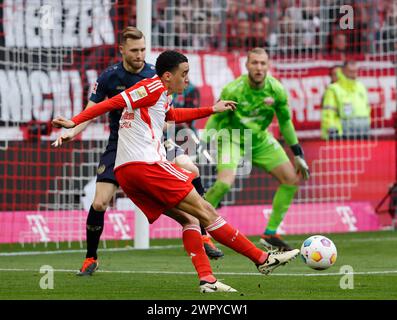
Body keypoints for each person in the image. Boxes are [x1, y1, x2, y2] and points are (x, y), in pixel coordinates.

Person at [52, 50, 300, 293]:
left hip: (129, 174)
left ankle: (207, 280)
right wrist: (75, 121)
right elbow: (114, 102)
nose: (188, 79)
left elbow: (172, 115)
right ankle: (262, 259)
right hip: (145, 167)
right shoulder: (153, 87)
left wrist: (211, 109)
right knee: (206, 211)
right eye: (184, 73)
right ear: (168, 76)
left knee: (189, 219)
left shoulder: (161, 95)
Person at [52, 27, 222, 277]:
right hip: (120, 144)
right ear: (122, 50)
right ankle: (91, 258)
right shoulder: (110, 76)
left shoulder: (157, 74)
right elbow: (95, 107)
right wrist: (73, 130)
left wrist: (163, 128)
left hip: (154, 142)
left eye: (143, 49)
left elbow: (167, 114)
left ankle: (205, 235)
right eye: (134, 50)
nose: (140, 54)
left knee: (192, 168)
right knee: (99, 202)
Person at [203, 47, 310, 252]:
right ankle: (201, 230)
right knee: (224, 184)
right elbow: (216, 117)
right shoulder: (233, 90)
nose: (259, 67)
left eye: (263, 63)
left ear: (268, 66)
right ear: (247, 65)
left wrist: (298, 154)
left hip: (259, 139)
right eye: (254, 63)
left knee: (291, 179)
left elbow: (286, 122)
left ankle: (270, 234)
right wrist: (204, 141)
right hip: (232, 138)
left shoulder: (276, 90)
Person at [321, 60, 371, 140]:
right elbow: (328, 113)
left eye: (355, 71)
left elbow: (367, 109)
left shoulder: (361, 87)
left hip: (363, 134)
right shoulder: (334, 89)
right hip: (342, 135)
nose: (354, 75)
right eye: (351, 72)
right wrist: (331, 129)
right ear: (343, 71)